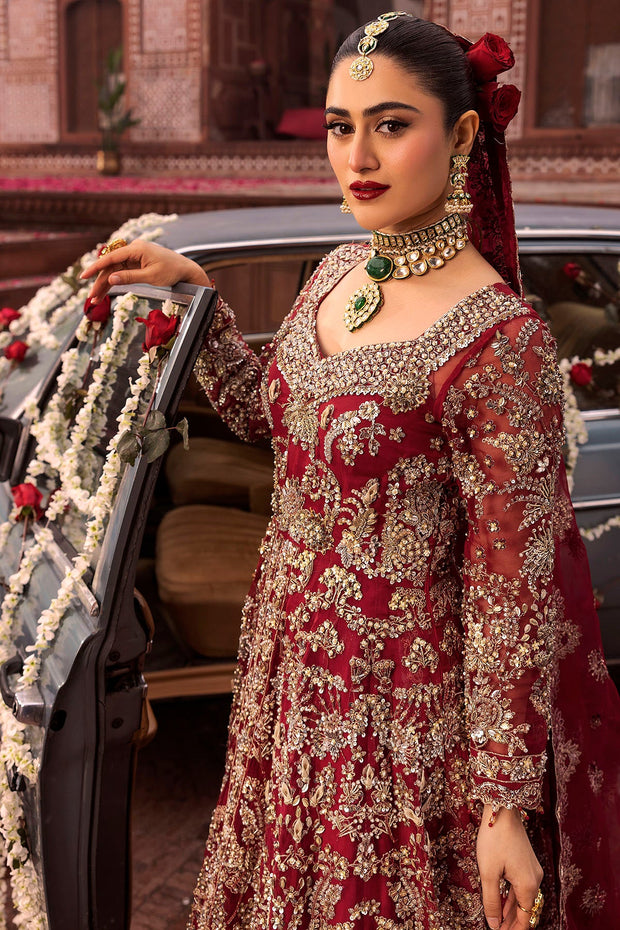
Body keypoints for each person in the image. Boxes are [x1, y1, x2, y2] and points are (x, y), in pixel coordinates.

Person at [81, 13, 620, 930]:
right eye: (340, 125)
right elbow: (275, 419)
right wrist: (198, 300)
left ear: (459, 135)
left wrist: (502, 811)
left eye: (391, 124)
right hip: (290, 678)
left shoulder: (502, 344)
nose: (357, 155)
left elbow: (508, 593)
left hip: (406, 722)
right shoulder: (334, 274)